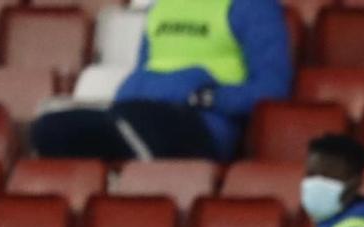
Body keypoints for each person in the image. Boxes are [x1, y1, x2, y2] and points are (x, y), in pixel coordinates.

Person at [30, 0, 291, 162]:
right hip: (134, 112)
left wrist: (210, 98)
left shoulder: (254, 5)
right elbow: (145, 68)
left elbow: (273, 86)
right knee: (49, 129)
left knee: (137, 120)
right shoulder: (163, 6)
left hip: (200, 123)